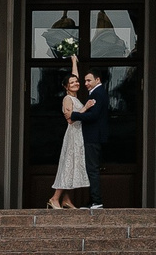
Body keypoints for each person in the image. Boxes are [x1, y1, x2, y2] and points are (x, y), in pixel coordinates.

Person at [46, 72, 88, 209]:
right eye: (72, 82)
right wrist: (86, 107)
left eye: (76, 81)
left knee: (75, 165)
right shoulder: (67, 99)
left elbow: (74, 74)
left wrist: (74, 61)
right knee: (68, 165)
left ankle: (66, 199)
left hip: (79, 135)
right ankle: (54, 198)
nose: (76, 83)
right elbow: (70, 119)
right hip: (72, 135)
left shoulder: (75, 98)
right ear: (66, 86)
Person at [76, 69, 110, 209]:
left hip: (93, 136)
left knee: (92, 169)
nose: (86, 83)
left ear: (98, 80)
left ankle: (96, 201)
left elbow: (94, 115)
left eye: (89, 80)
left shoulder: (98, 92)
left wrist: (74, 115)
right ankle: (92, 201)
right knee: (91, 169)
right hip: (94, 136)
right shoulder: (97, 92)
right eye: (85, 81)